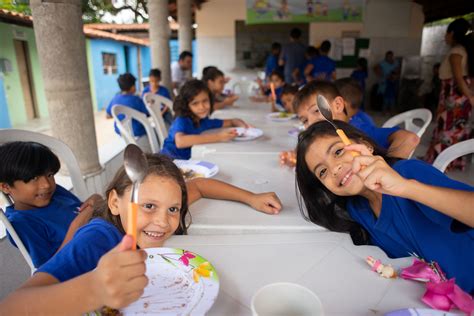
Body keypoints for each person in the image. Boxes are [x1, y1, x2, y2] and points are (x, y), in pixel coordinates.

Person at [0, 154, 282, 313]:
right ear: (114, 203)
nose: (163, 221)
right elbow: (12, 307)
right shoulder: (98, 238)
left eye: (174, 209)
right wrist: (93, 288)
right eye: (148, 206)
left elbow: (201, 186)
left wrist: (251, 197)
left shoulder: (157, 217)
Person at [295, 120, 474, 293]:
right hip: (446, 302)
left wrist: (406, 187)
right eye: (322, 172)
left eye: (338, 151)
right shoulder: (358, 209)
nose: (334, 169)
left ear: (366, 146)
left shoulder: (408, 173)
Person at [0, 141, 102, 267]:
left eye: (49, 175)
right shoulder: (21, 223)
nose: (46, 185)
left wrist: (95, 202)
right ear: (5, 187)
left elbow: (87, 210)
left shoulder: (55, 193)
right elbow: (51, 269)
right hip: (93, 267)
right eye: (33, 178)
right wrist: (78, 224)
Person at [279, 80, 420, 167]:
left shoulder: (358, 130)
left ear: (338, 105)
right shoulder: (328, 135)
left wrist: (389, 170)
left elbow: (409, 138)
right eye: (304, 120)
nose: (311, 123)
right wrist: (295, 157)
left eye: (316, 111)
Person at [425, 18, 474, 170]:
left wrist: (470, 97)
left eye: (446, 33)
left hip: (453, 97)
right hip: (460, 97)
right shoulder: (466, 51)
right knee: (456, 129)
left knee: (447, 129)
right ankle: (448, 161)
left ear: (452, 33)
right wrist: (470, 95)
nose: (445, 37)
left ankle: (443, 163)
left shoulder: (456, 52)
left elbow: (458, 78)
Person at [161, 79, 249, 160]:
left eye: (205, 101)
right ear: (186, 105)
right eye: (195, 103)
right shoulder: (182, 120)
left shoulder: (204, 121)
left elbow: (232, 121)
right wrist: (219, 137)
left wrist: (244, 127)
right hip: (168, 162)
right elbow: (180, 142)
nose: (202, 107)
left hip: (189, 162)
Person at [106, 73, 150, 147]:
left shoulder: (115, 98)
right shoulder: (136, 99)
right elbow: (147, 114)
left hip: (121, 132)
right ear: (132, 87)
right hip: (137, 132)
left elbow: (108, 115)